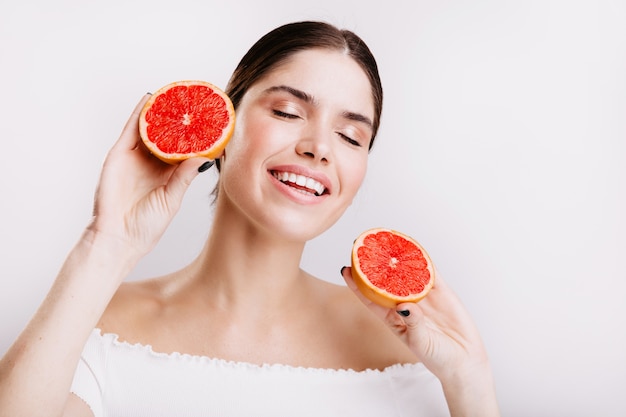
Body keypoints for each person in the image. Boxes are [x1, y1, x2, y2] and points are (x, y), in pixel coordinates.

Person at [0, 21, 500, 416]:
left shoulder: (405, 345)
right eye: (286, 111)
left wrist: (470, 383)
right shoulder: (96, 327)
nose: (319, 148)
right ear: (223, 122)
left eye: (351, 137)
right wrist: (106, 243)